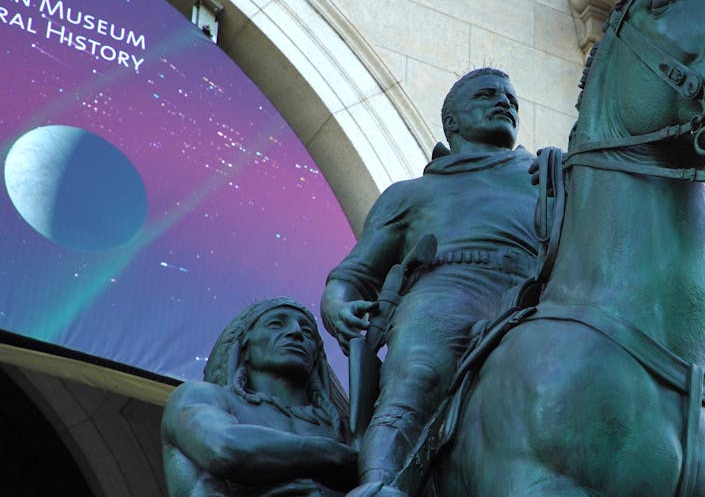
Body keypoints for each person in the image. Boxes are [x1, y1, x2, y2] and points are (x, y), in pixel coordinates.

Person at [322, 68, 539, 497]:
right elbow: (355, 273)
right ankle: (380, 484)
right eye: (488, 95)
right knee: (420, 373)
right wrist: (338, 302)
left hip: (536, 295)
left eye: (512, 99)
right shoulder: (411, 194)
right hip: (447, 290)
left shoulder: (546, 178)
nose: (505, 103)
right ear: (452, 122)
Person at [162, 297, 358, 497]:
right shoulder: (200, 396)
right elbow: (223, 448)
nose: (296, 332)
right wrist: (333, 455)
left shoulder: (342, 429)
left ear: (316, 356)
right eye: (275, 324)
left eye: (307, 331)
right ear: (245, 344)